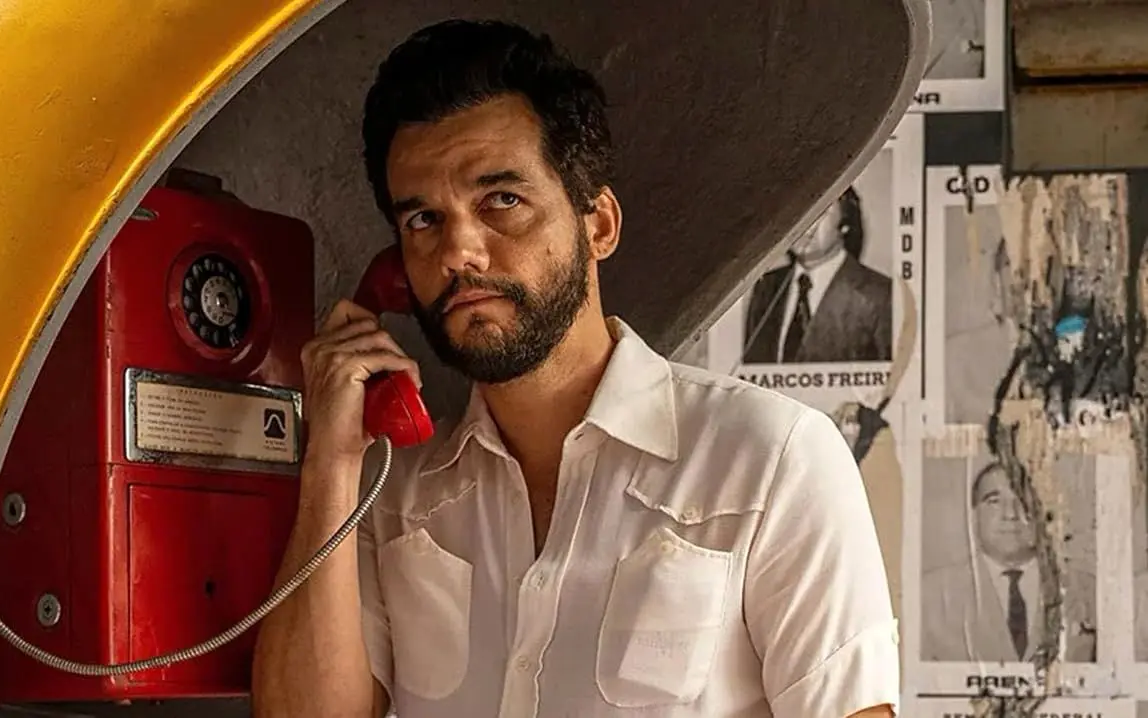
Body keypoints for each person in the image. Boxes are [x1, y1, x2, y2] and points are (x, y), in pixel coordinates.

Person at [253, 19, 897, 718]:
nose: (459, 251)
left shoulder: (770, 460)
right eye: (423, 221)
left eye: (502, 201)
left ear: (599, 225)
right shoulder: (392, 495)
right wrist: (331, 459)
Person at [921, 461, 1096, 663]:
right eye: (994, 501)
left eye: (1024, 500)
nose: (1011, 514)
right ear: (973, 516)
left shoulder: (1089, 591)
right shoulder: (930, 595)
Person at [741, 187, 893, 365]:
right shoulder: (765, 286)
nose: (805, 225)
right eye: (795, 213)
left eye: (820, 212)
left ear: (845, 224)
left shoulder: (881, 294)